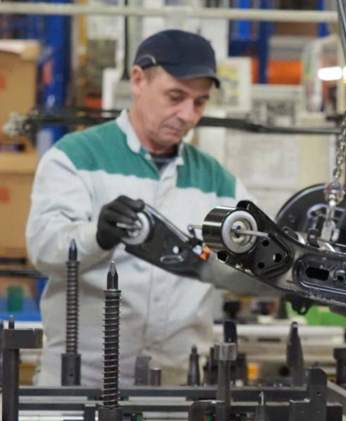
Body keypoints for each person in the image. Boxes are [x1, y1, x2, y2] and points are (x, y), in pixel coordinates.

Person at [27, 29, 252, 386]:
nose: (188, 115)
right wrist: (97, 236)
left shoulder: (217, 180)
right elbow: (43, 249)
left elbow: (251, 261)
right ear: (137, 80)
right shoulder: (75, 157)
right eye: (175, 96)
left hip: (177, 385)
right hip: (81, 383)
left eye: (199, 102)